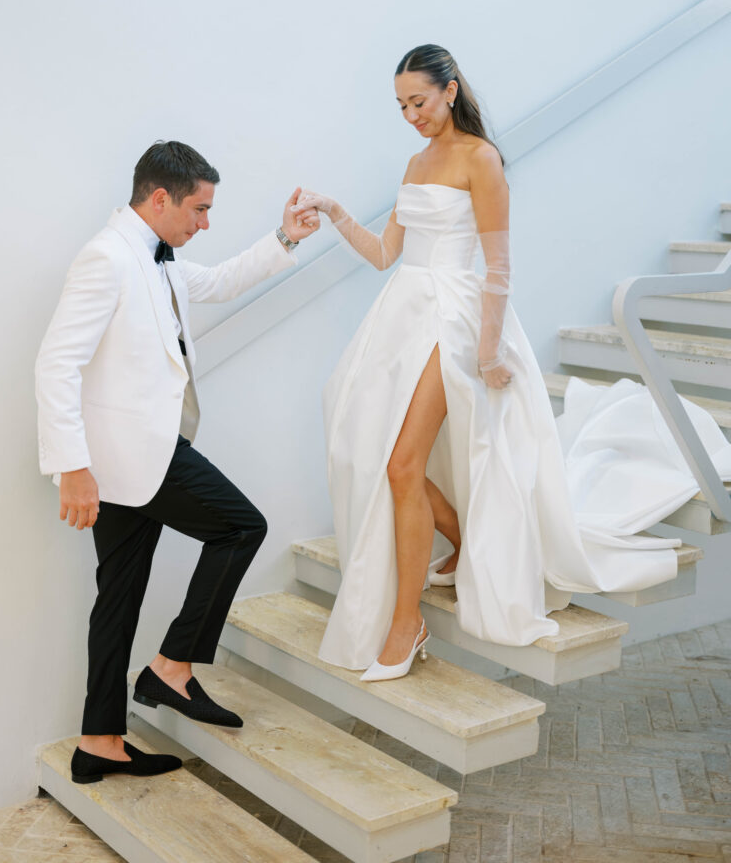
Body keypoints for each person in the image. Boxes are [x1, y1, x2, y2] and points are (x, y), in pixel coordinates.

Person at [292, 44, 731, 681]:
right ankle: (466, 543)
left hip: (454, 319)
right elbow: (388, 253)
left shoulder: (481, 158)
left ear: (449, 90)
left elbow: (499, 266)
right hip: (400, 315)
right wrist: (335, 213)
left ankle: (405, 623)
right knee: (368, 446)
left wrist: (490, 349)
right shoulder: (415, 162)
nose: (411, 114)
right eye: (401, 106)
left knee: (400, 462)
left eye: (419, 100)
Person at [36, 140, 319, 782]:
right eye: (200, 208)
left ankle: (98, 741)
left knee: (118, 599)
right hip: (130, 456)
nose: (205, 223)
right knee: (242, 526)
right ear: (160, 199)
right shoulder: (106, 259)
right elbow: (57, 364)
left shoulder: (158, 260)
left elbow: (220, 282)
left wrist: (286, 237)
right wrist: (72, 467)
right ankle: (171, 669)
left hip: (135, 461)